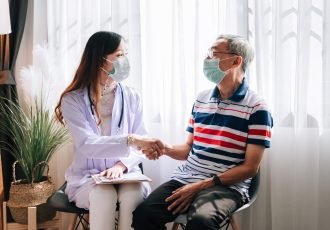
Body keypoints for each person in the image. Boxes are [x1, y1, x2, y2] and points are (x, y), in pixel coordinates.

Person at [132, 34, 273, 230]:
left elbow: (250, 168)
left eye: (214, 54)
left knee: (201, 222)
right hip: (187, 178)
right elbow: (188, 149)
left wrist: (201, 186)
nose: (207, 60)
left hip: (226, 187)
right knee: (144, 215)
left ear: (236, 60)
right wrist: (165, 148)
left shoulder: (257, 108)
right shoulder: (201, 100)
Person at [55, 31, 163, 230]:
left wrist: (121, 165)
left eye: (125, 54)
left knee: (133, 195)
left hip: (127, 173)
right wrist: (130, 139)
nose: (125, 60)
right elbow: (87, 144)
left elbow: (142, 141)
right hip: (87, 177)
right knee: (104, 195)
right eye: (120, 55)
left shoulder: (132, 96)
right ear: (100, 60)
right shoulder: (73, 100)